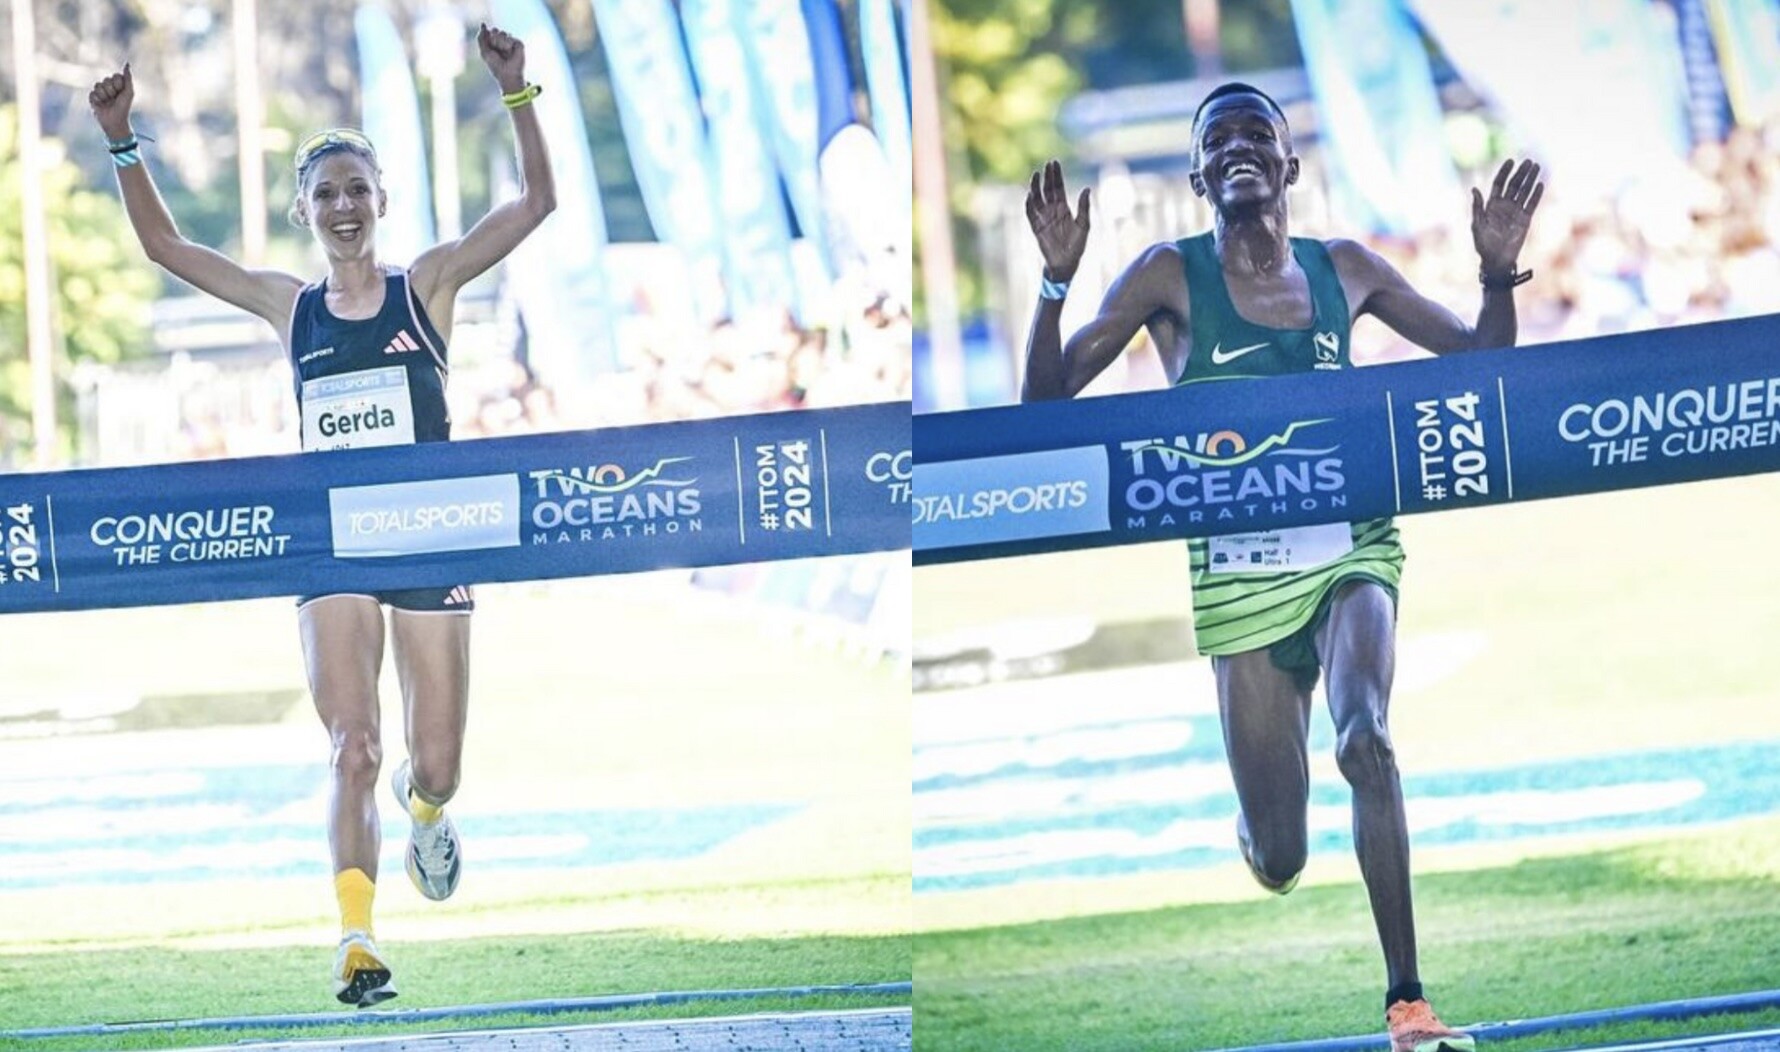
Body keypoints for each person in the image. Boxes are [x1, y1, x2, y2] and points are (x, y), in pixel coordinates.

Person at [1020, 83, 1542, 1052]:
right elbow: (1043, 410)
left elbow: (1479, 363)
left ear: (1290, 163)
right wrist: (1054, 285)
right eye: (1216, 139)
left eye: (1256, 132)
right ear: (1197, 176)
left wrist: (1497, 272)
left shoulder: (1346, 269)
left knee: (1365, 738)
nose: (1237, 147)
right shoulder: (1165, 276)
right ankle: (1259, 833)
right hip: (1239, 575)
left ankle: (1408, 1005)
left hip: (1353, 547)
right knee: (1281, 853)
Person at [88, 23, 556, 1007]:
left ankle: (426, 811)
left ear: (381, 202)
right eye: (327, 194)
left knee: (435, 763)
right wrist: (123, 141)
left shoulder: (427, 286)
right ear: (303, 210)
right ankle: (356, 941)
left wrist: (516, 90)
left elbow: (535, 203)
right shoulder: (287, 306)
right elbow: (167, 246)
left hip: (426, 535)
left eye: (357, 191)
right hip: (332, 541)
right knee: (353, 745)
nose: (344, 207)